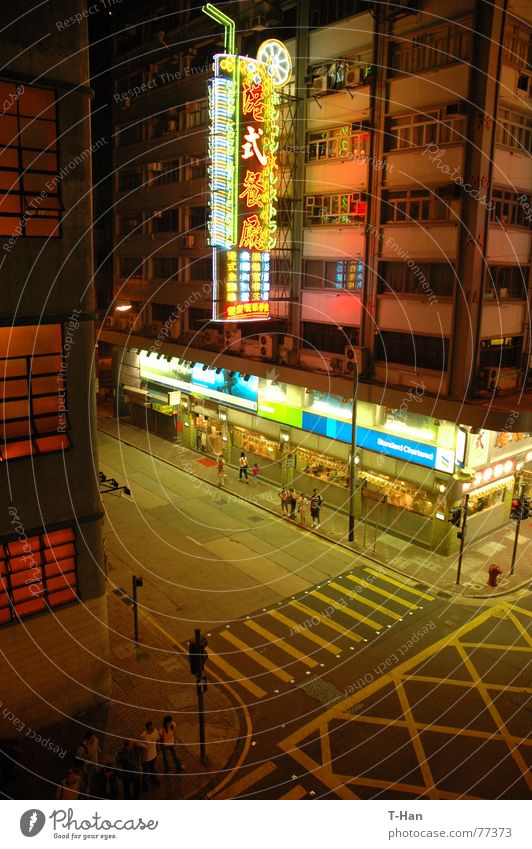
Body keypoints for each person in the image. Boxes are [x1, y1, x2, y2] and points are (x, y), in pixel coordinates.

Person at [75, 729, 100, 793]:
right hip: (87, 767)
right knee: (87, 781)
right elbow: (77, 757)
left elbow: (98, 751)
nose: (94, 739)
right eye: (92, 738)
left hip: (95, 764)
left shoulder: (96, 741)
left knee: (95, 778)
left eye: (94, 737)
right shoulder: (83, 747)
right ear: (87, 739)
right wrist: (85, 757)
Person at [139, 720, 160, 791]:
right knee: (145, 772)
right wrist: (142, 758)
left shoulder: (155, 731)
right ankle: (144, 785)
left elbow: (157, 741)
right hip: (146, 758)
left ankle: (154, 778)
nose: (153, 729)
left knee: (153, 768)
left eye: (153, 727)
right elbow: (141, 748)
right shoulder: (143, 736)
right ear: (148, 728)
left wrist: (158, 750)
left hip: (154, 754)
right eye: (151, 728)